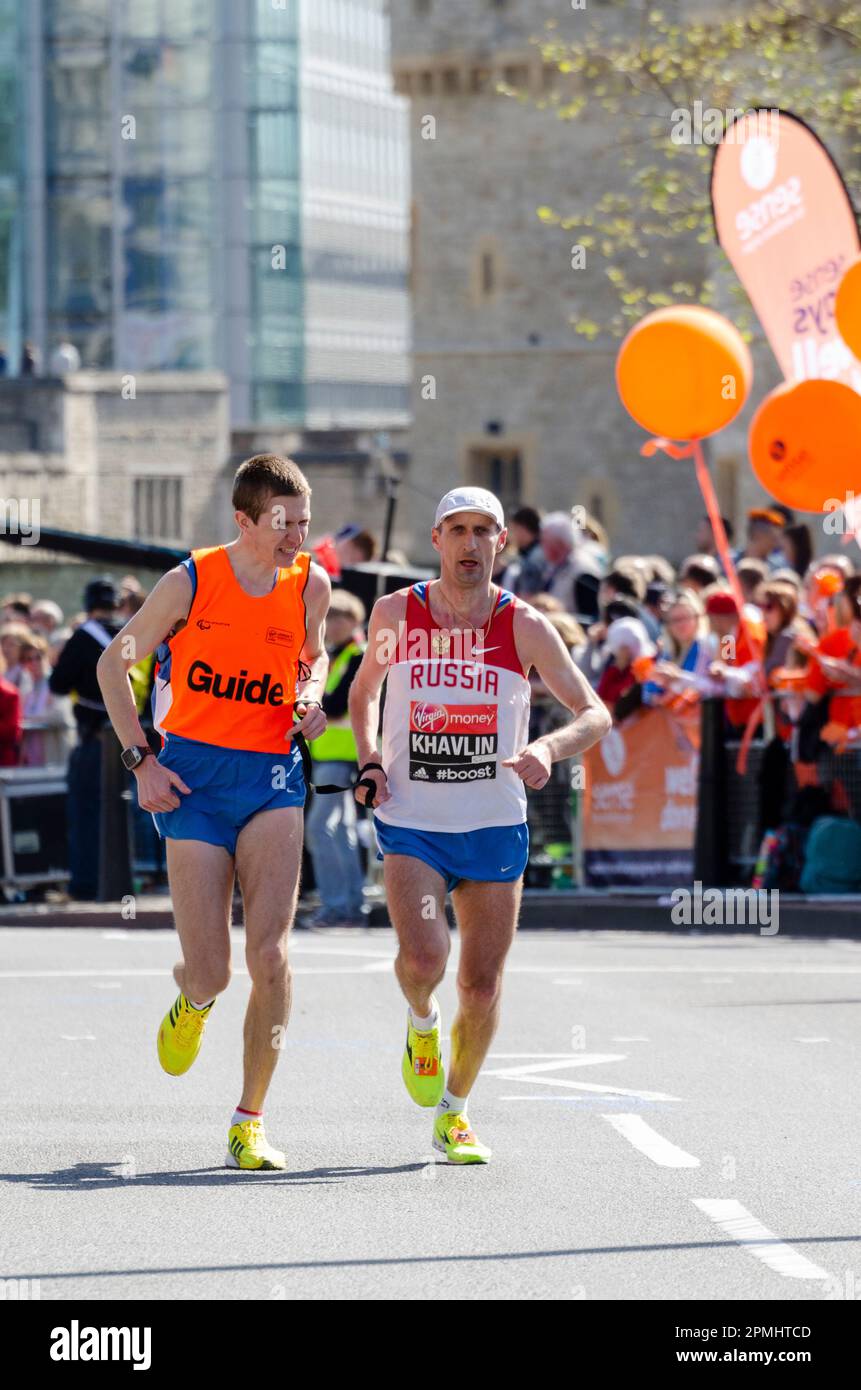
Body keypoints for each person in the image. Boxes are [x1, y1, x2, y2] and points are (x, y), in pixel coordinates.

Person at [348, 486, 611, 1164]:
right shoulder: (395, 611)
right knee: (423, 960)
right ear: (436, 539)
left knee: (482, 985)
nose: (470, 545)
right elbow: (362, 689)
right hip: (413, 821)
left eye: (483, 532)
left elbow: (593, 711)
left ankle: (455, 1112)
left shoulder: (522, 623)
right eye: (457, 530)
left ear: (501, 542)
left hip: (493, 824)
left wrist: (546, 749)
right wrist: (371, 759)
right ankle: (419, 1023)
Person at [97, 454, 331, 1172]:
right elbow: (113, 665)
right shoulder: (191, 579)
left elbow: (314, 657)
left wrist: (310, 695)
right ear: (244, 520)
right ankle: (190, 1003)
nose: (296, 535)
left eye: (304, 521)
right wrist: (142, 762)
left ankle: (249, 1118)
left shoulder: (310, 584)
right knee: (213, 971)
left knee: (271, 956)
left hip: (271, 777)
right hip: (193, 780)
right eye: (283, 522)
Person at [49, 577, 125, 898]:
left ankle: (86, 884)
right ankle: (129, 880)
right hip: (135, 739)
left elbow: (59, 684)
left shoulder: (84, 637)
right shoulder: (130, 633)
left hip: (95, 738)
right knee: (129, 815)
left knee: (85, 811)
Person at [305, 589, 368, 928]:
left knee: (319, 829)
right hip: (331, 754)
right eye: (328, 616)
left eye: (337, 616)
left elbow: (337, 704)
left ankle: (338, 906)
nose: (330, 623)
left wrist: (315, 700)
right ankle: (350, 907)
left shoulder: (358, 654)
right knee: (339, 831)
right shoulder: (335, 654)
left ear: (354, 620)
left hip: (343, 756)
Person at [19, 634, 75, 766]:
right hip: (31, 757)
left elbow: (60, 716)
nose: (34, 663)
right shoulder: (26, 688)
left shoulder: (55, 682)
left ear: (46, 657)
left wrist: (30, 721)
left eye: (38, 657)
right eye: (28, 659)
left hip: (53, 756)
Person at [539, 512, 605, 623]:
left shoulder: (583, 571)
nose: (541, 546)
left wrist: (561, 618)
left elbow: (592, 618)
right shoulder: (556, 565)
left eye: (544, 541)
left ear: (558, 544)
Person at [500, 506, 546, 597]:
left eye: (513, 529)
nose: (511, 535)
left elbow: (528, 595)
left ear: (523, 529)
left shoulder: (534, 559)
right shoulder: (535, 553)